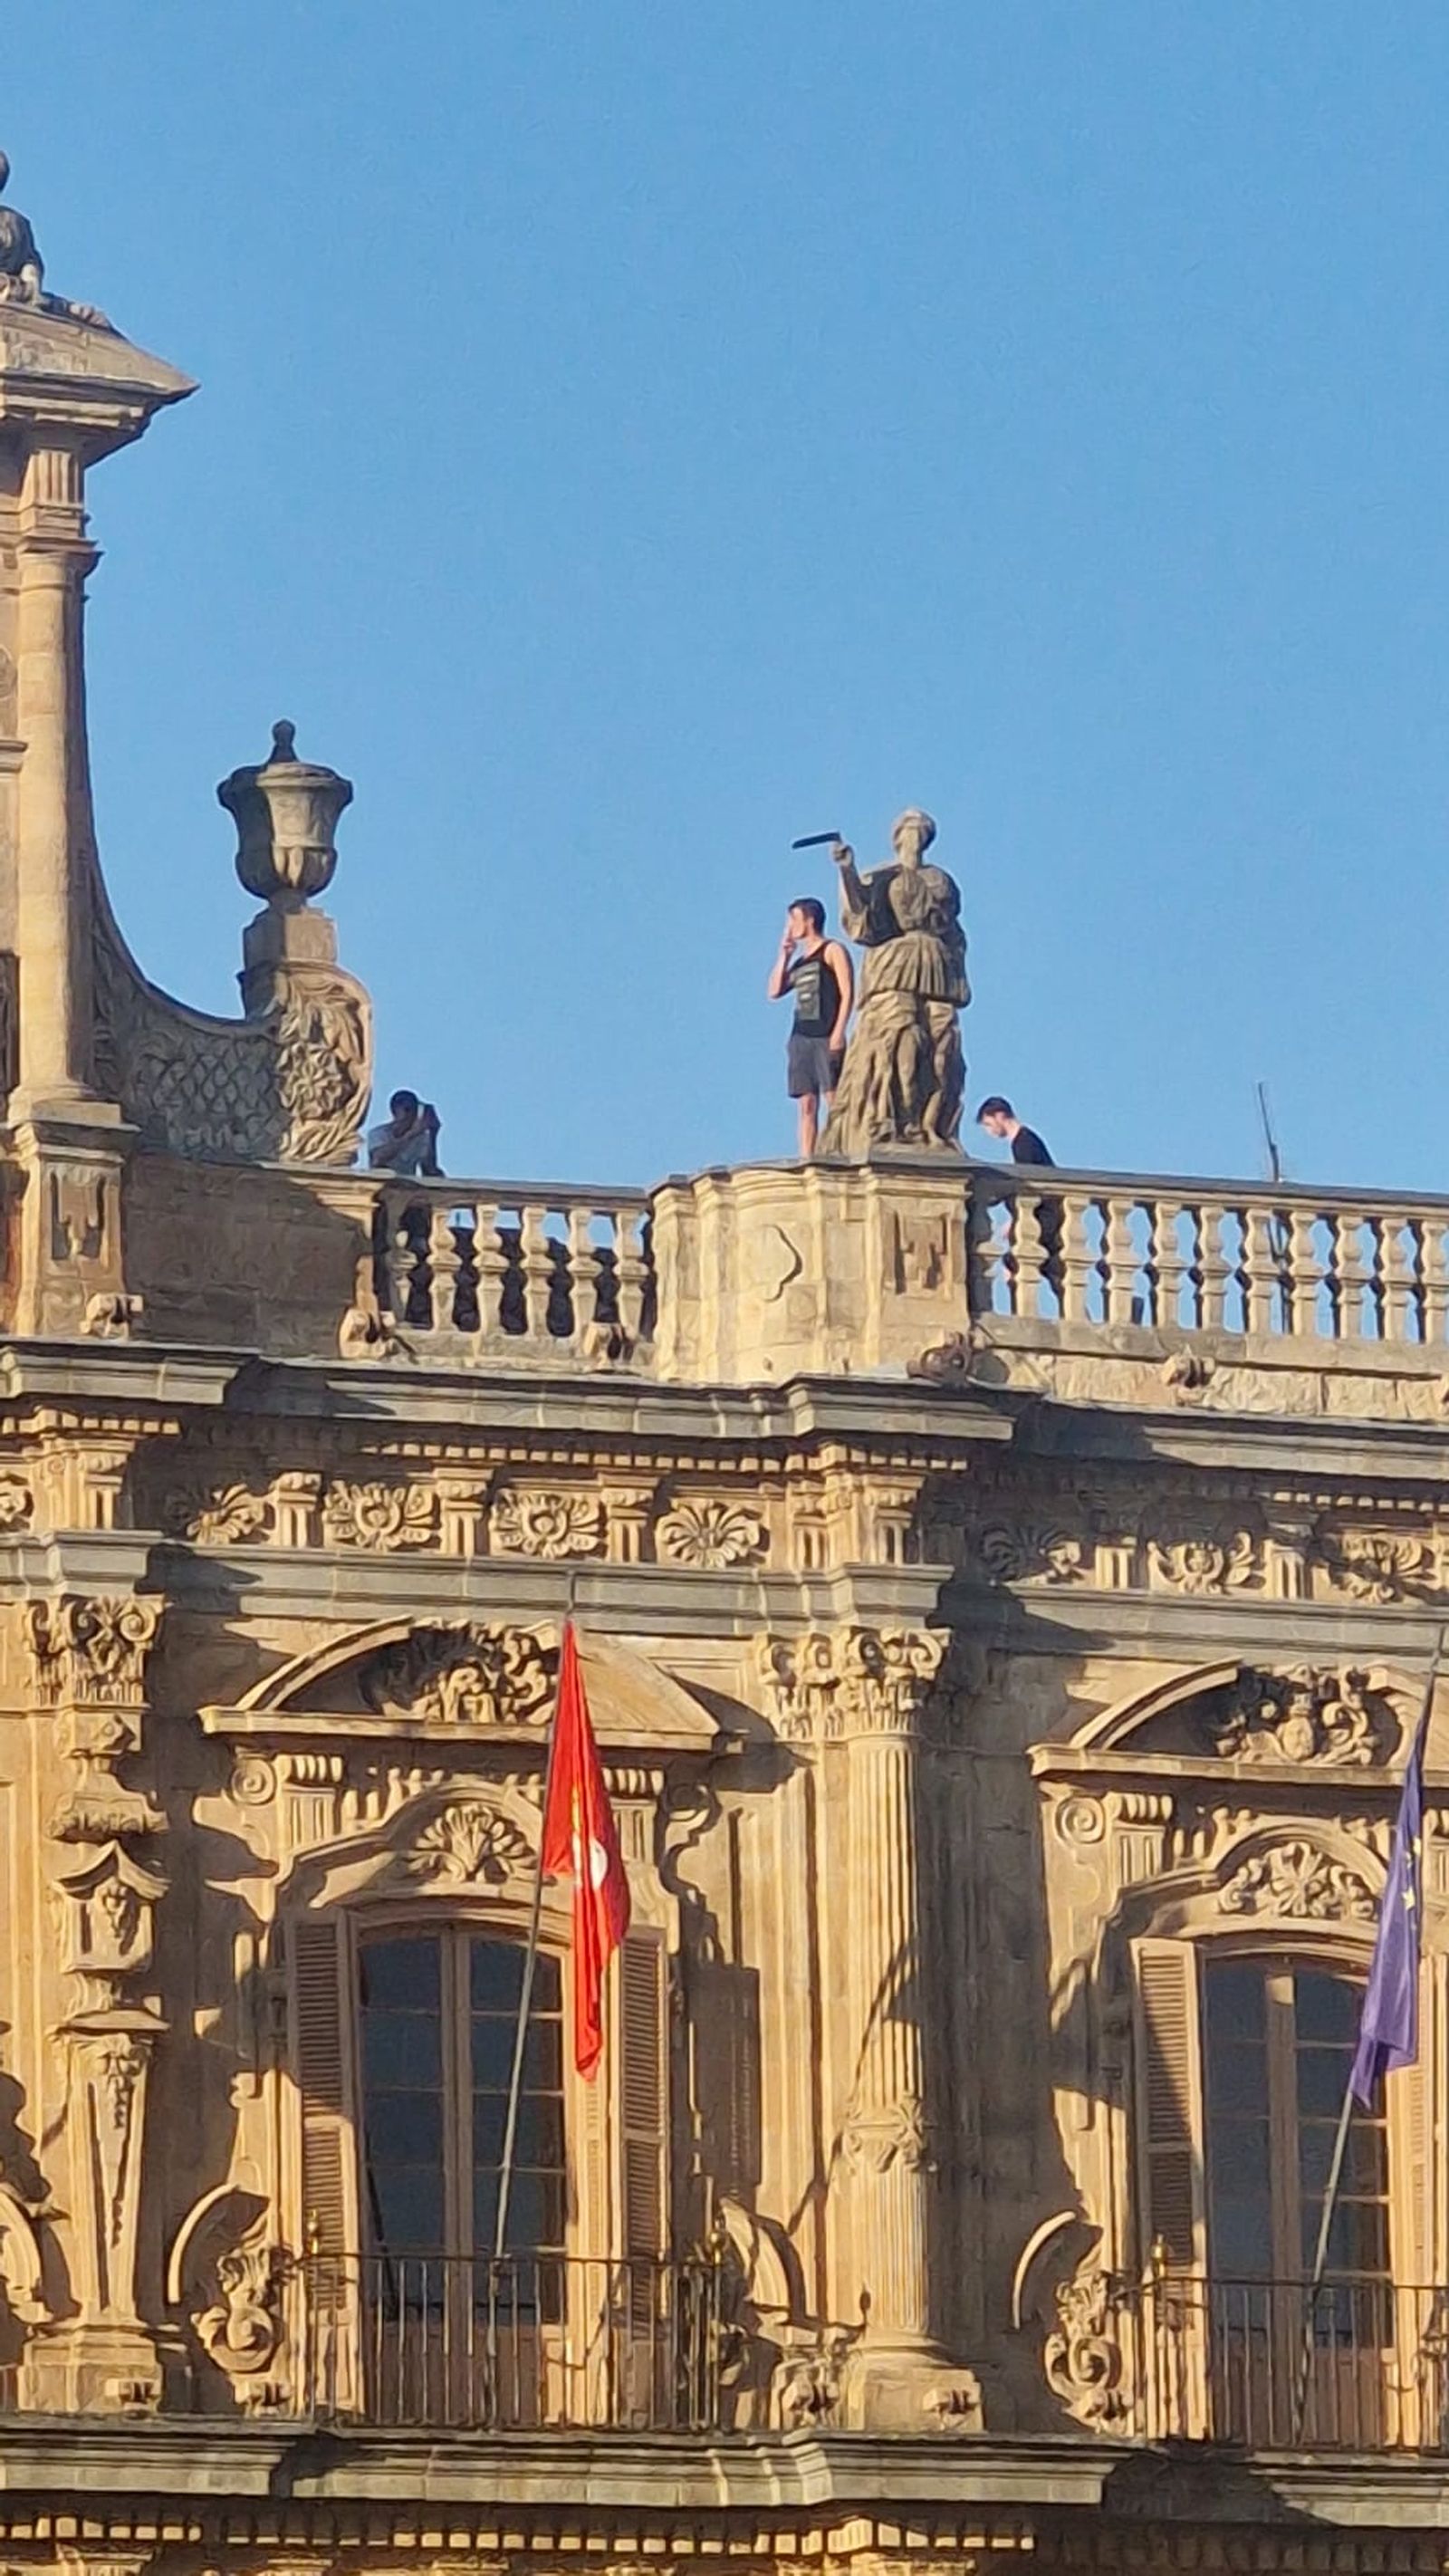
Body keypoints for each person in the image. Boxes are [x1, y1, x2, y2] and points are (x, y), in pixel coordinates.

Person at [826, 810, 970, 1154]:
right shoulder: (881, 876)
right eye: (910, 830)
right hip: (894, 965)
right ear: (898, 837)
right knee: (900, 1039)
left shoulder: (941, 879)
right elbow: (861, 921)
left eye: (922, 831)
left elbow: (953, 929)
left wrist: (958, 971)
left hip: (936, 966)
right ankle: (890, 1121)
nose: (916, 836)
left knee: (942, 1048)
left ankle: (932, 1126)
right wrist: (847, 871)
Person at [767, 899, 854, 1155]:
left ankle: (841, 1148)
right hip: (801, 1036)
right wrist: (785, 955)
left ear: (809, 920)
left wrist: (839, 1031)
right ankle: (808, 1156)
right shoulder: (801, 962)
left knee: (833, 1097)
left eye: (794, 920)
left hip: (825, 1033)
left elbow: (848, 992)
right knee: (806, 1102)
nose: (791, 926)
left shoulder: (832, 950)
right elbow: (774, 991)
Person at [368, 1090, 443, 1177]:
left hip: (406, 1184)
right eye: (407, 1109)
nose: (411, 1114)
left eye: (414, 1109)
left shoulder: (421, 1139)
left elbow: (430, 1170)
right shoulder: (378, 1133)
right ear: (394, 1111)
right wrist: (411, 1135)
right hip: (382, 1182)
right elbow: (378, 1159)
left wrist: (433, 1134)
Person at [975, 1096, 1053, 1167]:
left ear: (1000, 1115)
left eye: (988, 1124)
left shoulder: (1024, 1142)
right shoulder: (1024, 1139)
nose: (988, 1131)